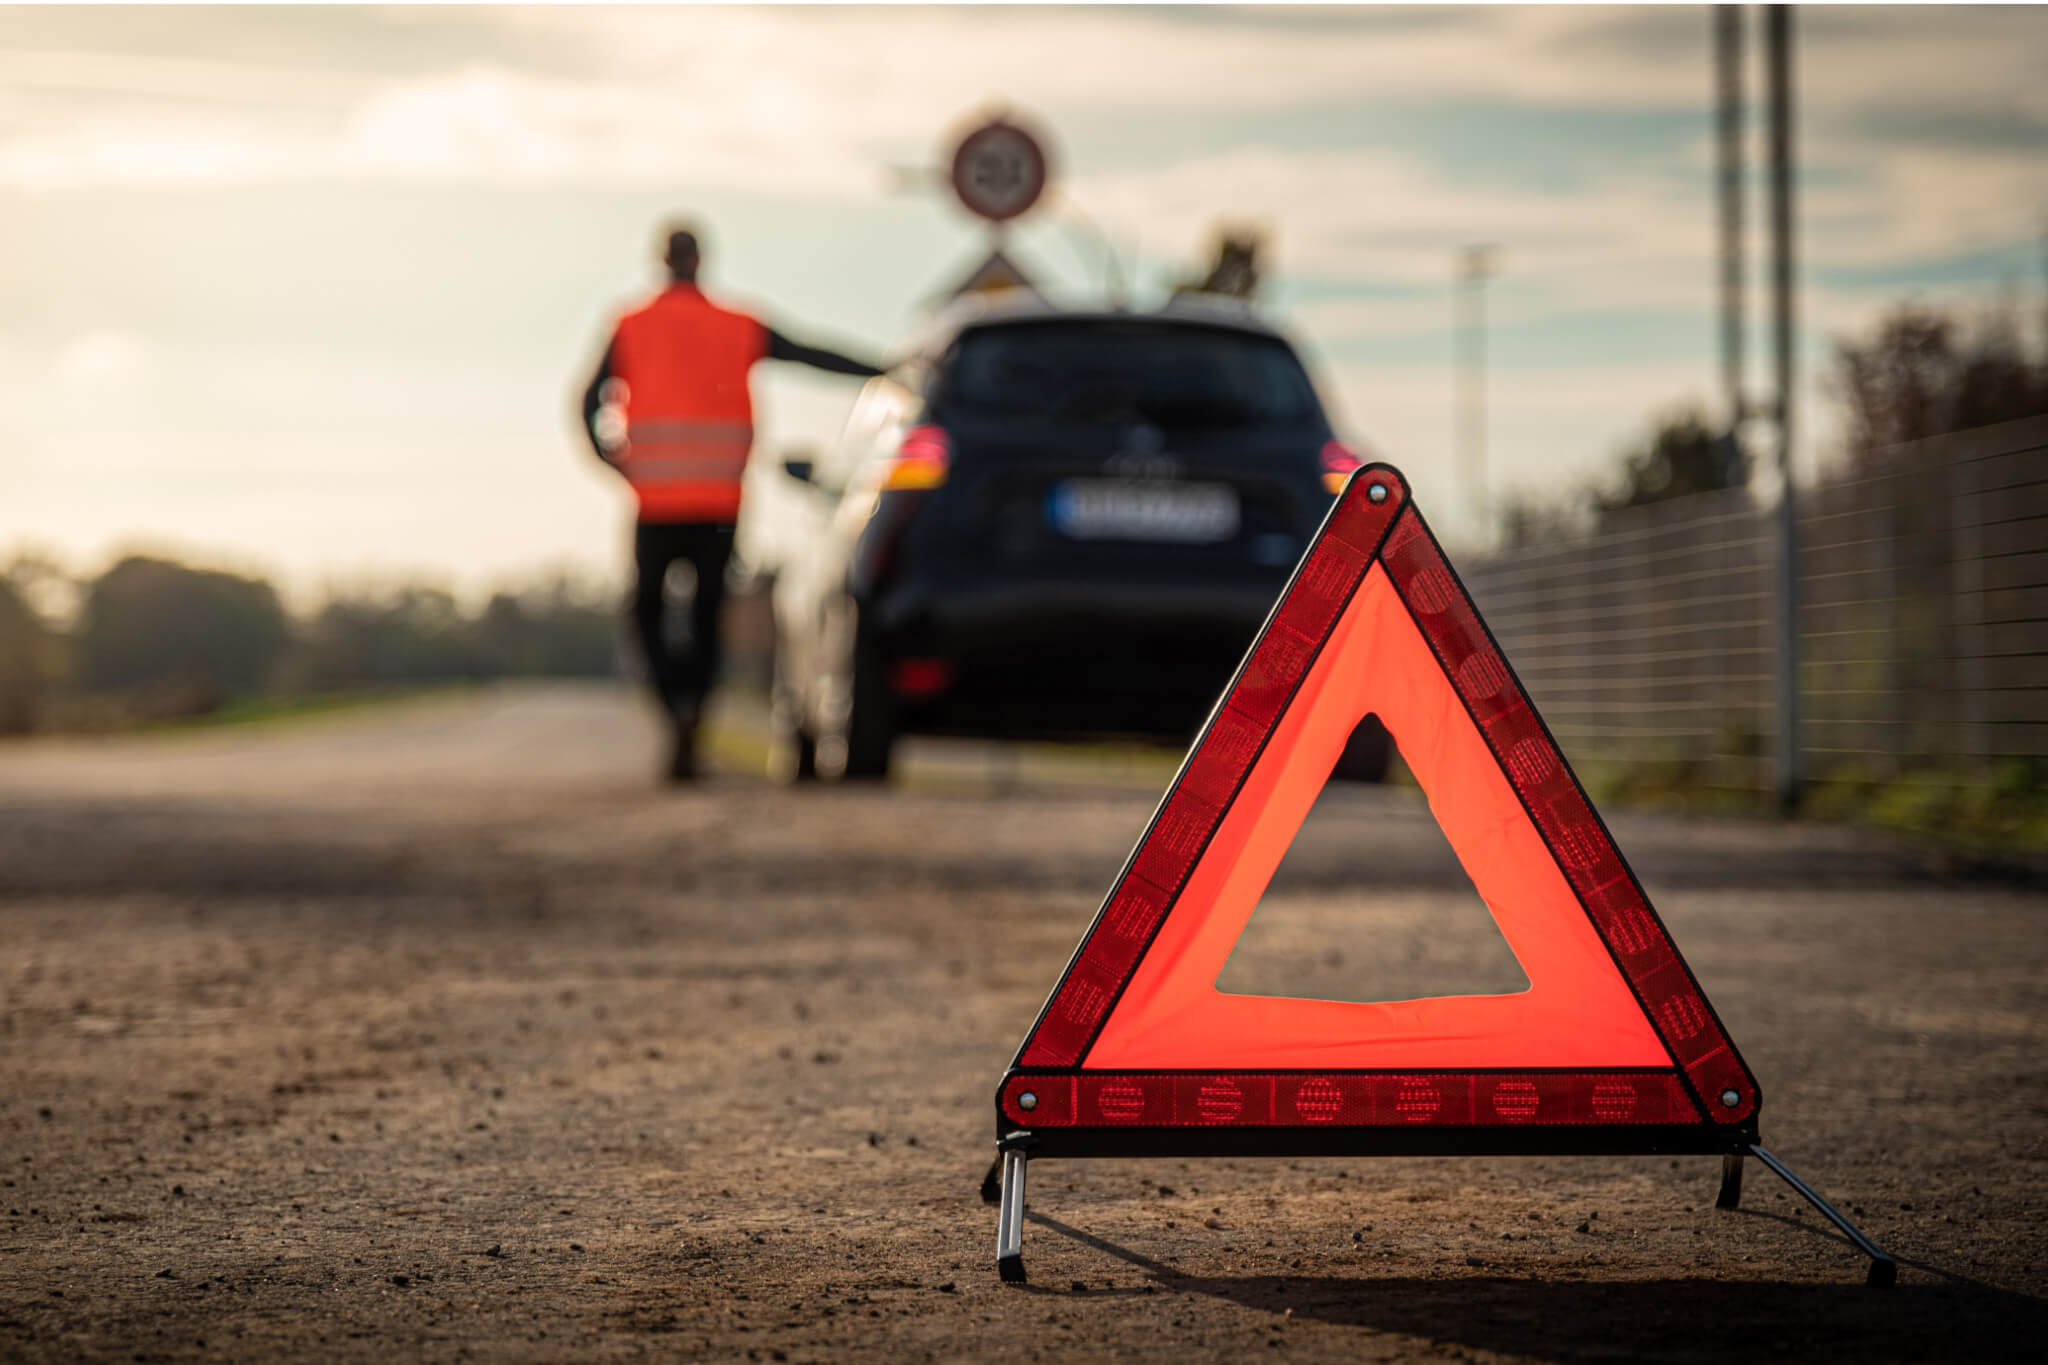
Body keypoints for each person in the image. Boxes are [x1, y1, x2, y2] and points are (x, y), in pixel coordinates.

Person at [580, 223, 882, 780]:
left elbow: (585, 403)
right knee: (705, 615)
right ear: (701, 260)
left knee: (645, 612)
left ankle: (675, 705)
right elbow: (811, 352)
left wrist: (619, 466)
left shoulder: (631, 324)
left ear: (660, 260)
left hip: (655, 502)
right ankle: (692, 709)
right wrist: (885, 369)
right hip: (719, 502)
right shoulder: (736, 323)